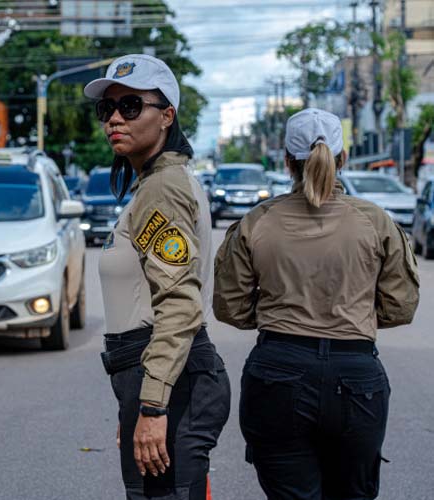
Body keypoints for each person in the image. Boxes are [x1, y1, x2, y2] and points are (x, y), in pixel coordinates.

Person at [214, 108, 419, 499]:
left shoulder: (257, 221)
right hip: (357, 380)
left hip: (277, 375)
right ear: (342, 158)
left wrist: (283, 314)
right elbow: (400, 307)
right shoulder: (376, 222)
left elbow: (231, 308)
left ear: (286, 161)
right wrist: (348, 312)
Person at [86, 55, 231, 499]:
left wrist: (152, 404)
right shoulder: (154, 183)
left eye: (131, 106)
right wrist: (136, 404)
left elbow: (179, 304)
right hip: (159, 376)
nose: (114, 118)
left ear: (166, 115)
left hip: (175, 379)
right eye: (107, 109)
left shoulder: (162, 188)